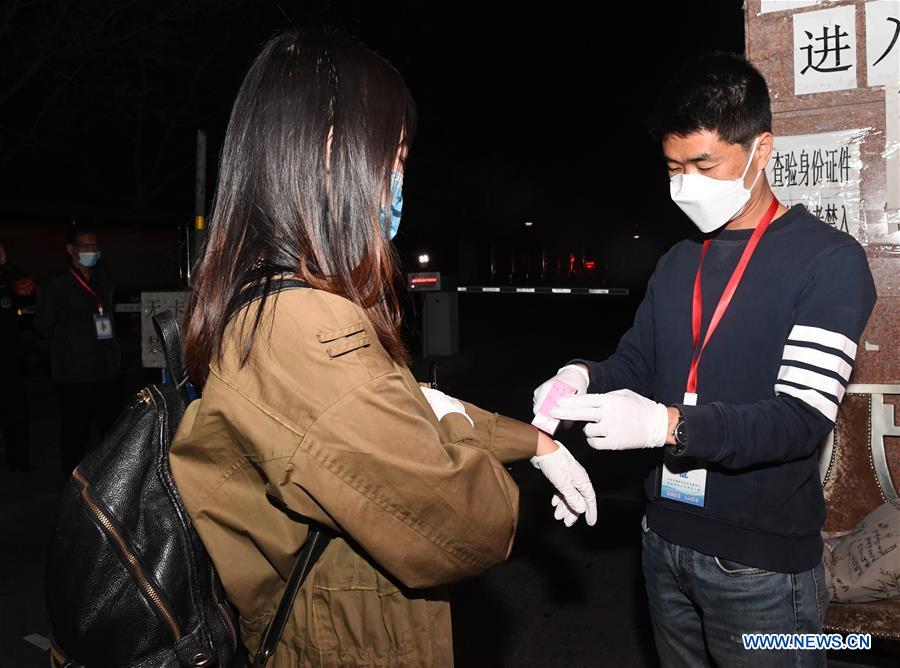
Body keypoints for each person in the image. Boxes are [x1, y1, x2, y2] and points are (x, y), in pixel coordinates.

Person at [169, 29, 597, 666]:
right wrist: (459, 430)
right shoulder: (303, 328)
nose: (397, 180)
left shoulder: (269, 299)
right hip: (347, 643)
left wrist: (537, 443)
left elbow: (393, 413)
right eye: (393, 156)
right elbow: (471, 525)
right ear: (330, 149)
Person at [533, 52, 876, 667]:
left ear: (761, 149)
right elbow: (637, 365)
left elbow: (801, 419)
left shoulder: (829, 261)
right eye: (674, 167)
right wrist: (580, 376)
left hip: (761, 568)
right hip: (663, 542)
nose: (686, 183)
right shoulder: (678, 261)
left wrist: (668, 425)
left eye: (704, 164)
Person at [35, 225, 121, 478]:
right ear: (70, 249)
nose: (90, 250)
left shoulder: (104, 280)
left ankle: (109, 481)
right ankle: (71, 481)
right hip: (74, 373)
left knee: (110, 429)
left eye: (94, 245)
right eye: (85, 246)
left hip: (106, 369)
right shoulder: (55, 284)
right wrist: (63, 353)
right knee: (76, 431)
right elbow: (42, 327)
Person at [0, 242, 34, 471]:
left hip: (8, 359)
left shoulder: (6, 278)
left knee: (15, 413)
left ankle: (19, 461)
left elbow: (26, 287)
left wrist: (6, 265)